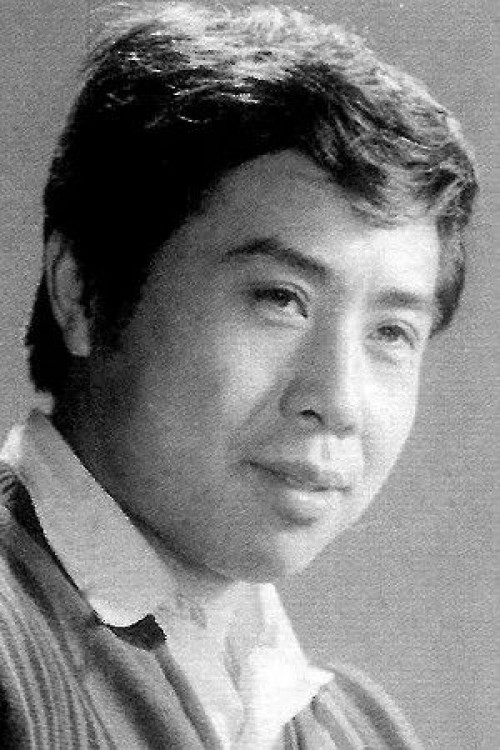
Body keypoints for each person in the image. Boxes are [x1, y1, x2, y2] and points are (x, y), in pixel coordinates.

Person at [0, 2, 477, 748]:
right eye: (280, 299)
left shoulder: (362, 731)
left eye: (391, 332)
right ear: (84, 291)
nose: (338, 401)